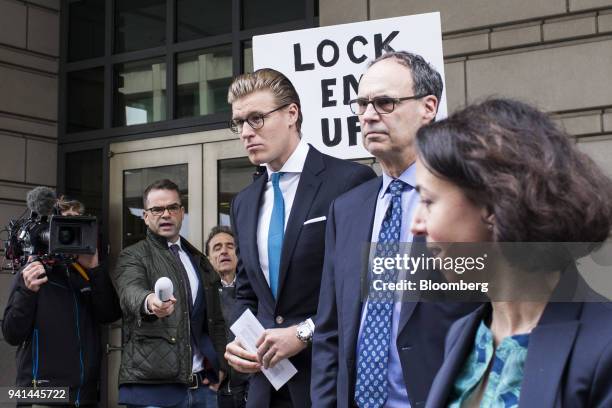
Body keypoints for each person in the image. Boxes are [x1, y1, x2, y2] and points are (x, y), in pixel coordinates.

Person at [409, 99, 612, 407]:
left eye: (428, 201)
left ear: (493, 205)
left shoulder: (604, 344)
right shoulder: (464, 334)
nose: (416, 225)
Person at [311, 51, 479, 408]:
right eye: (362, 104)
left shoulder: (468, 198)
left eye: (385, 103)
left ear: (428, 107)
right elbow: (330, 330)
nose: (369, 115)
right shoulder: (346, 209)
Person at [224, 68, 376, 407]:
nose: (246, 132)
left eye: (256, 119)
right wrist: (239, 339)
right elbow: (247, 293)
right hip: (266, 383)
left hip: (327, 379)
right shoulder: (244, 203)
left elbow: (366, 287)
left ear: (292, 113)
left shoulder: (350, 182)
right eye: (239, 123)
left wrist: (305, 333)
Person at [111, 179, 227, 408]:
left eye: (172, 208)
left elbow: (214, 320)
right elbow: (130, 292)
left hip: (203, 389)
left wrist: (222, 367)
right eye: (157, 209)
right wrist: (150, 302)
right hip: (153, 391)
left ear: (182, 212)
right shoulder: (133, 256)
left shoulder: (198, 260)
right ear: (145, 216)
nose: (165, 214)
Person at [2, 195, 122, 407]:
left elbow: (110, 314)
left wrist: (95, 269)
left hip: (83, 396)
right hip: (41, 395)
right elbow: (12, 333)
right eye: (66, 223)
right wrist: (27, 291)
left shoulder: (85, 274)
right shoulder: (33, 273)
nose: (71, 230)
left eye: (79, 223)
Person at [205, 226, 248, 408]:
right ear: (209, 259)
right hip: (214, 389)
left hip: (249, 387)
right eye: (217, 247)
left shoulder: (253, 291)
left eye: (230, 246)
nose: (224, 251)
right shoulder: (202, 294)